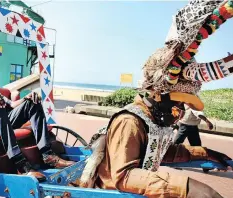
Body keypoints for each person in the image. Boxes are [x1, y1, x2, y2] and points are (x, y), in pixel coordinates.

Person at [79, 1, 233, 197]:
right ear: (158, 97)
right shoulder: (130, 122)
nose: (179, 112)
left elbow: (159, 153)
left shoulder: (152, 120)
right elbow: (123, 176)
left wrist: (207, 153)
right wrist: (186, 188)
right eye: (178, 105)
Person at [0, 64, 74, 182]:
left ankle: (48, 155)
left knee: (33, 103)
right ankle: (21, 163)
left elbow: (12, 105)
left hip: (0, 120)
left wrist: (26, 98)